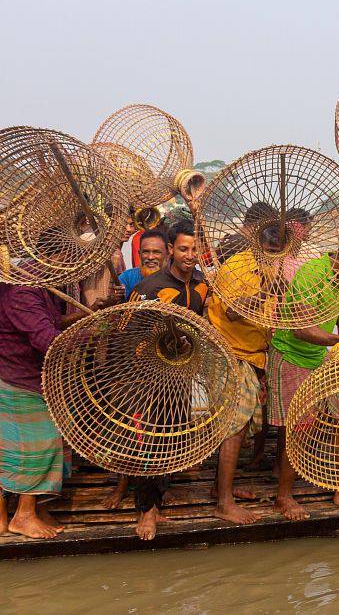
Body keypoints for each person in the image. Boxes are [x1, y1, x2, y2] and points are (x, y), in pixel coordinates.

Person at [0, 230, 110, 539]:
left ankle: (25, 511)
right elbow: (47, 341)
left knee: (27, 445)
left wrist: (89, 318)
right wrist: (92, 333)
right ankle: (22, 515)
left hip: (30, 374)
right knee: (40, 444)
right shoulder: (23, 288)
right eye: (71, 259)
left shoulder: (43, 285)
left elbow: (49, 323)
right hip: (17, 377)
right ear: (54, 257)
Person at [266, 228, 339, 520]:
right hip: (290, 356)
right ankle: (283, 497)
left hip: (317, 357)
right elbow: (301, 330)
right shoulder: (313, 274)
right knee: (296, 428)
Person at [126, 220, 210, 540]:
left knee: (173, 433)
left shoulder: (202, 284)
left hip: (181, 371)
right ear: (171, 250)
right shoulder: (149, 288)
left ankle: (161, 492)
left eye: (195, 249)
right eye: (183, 248)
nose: (190, 255)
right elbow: (127, 332)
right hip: (148, 375)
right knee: (149, 440)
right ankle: (147, 509)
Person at [204, 224, 288, 526]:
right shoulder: (237, 267)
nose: (274, 253)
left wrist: (279, 290)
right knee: (234, 427)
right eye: (270, 248)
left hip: (252, 353)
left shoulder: (271, 268)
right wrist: (266, 291)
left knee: (237, 424)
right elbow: (232, 312)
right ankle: (224, 504)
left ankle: (220, 489)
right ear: (257, 243)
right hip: (230, 353)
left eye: (278, 250)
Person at [118, 228, 169, 299]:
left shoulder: (175, 279)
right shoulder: (127, 278)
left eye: (156, 252)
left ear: (167, 254)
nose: (150, 257)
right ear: (139, 254)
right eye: (146, 252)